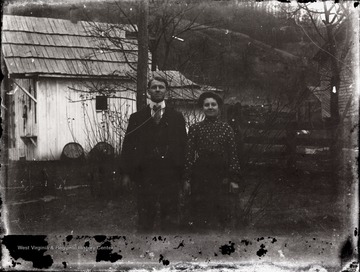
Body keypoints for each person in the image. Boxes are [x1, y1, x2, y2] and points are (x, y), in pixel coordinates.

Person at [120, 77, 187, 232]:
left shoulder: (177, 117)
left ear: (166, 91)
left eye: (161, 87)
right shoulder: (137, 117)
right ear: (148, 91)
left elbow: (184, 146)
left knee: (170, 215)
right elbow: (128, 146)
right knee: (145, 215)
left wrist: (184, 175)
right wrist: (126, 173)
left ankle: (168, 249)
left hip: (170, 173)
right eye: (154, 87)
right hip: (145, 174)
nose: (158, 90)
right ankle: (144, 249)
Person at [183, 92, 240, 231]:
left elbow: (233, 155)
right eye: (206, 105)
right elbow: (189, 154)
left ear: (218, 107)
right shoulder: (195, 128)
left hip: (221, 175)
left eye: (213, 104)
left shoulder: (227, 129)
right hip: (200, 175)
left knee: (221, 213)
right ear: (202, 108)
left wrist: (234, 178)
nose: (210, 107)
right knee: (200, 213)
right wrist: (187, 179)